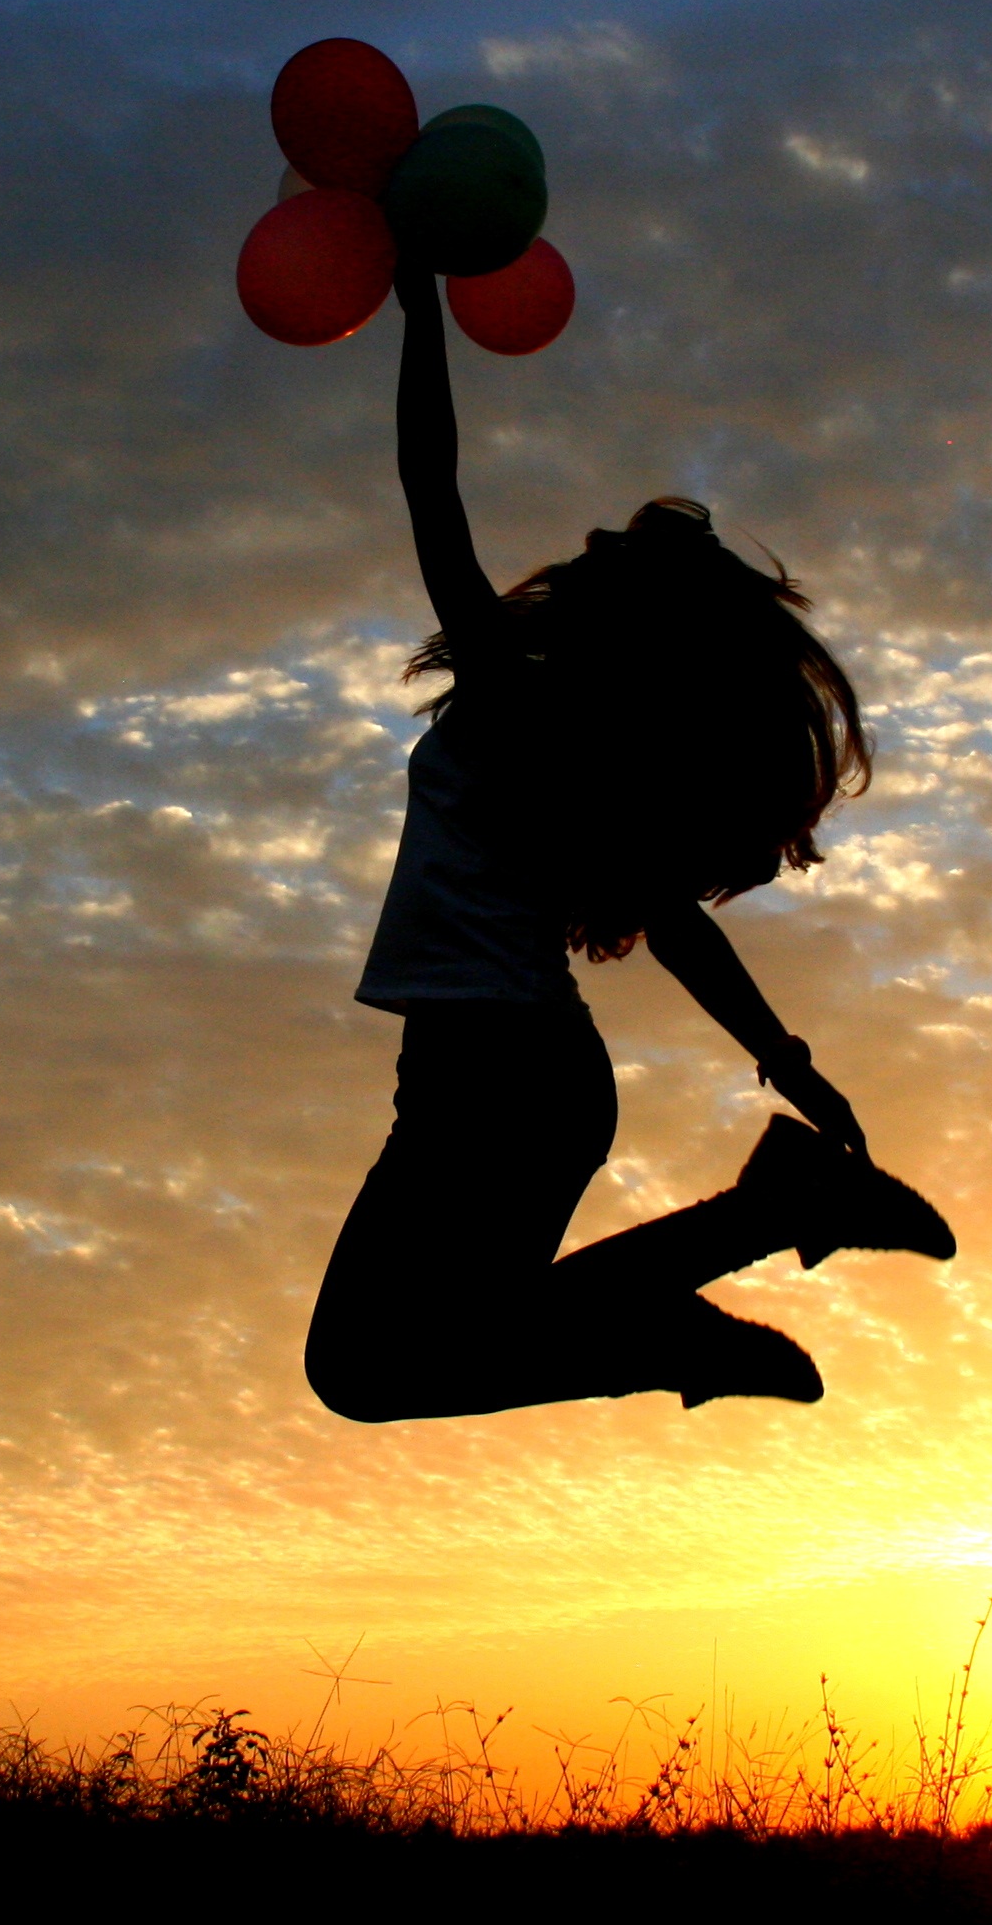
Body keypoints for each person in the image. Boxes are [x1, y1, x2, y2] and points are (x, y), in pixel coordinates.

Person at [304, 271, 957, 1423]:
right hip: (503, 1073)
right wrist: (787, 1060)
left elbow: (428, 486)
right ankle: (760, 1226)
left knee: (370, 1365)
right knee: (404, 1354)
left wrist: (419, 317)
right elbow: (673, 920)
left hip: (502, 1075)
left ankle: (744, 1246)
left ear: (630, 615)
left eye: (610, 553)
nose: (586, 545)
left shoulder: (525, 705)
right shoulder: (585, 737)